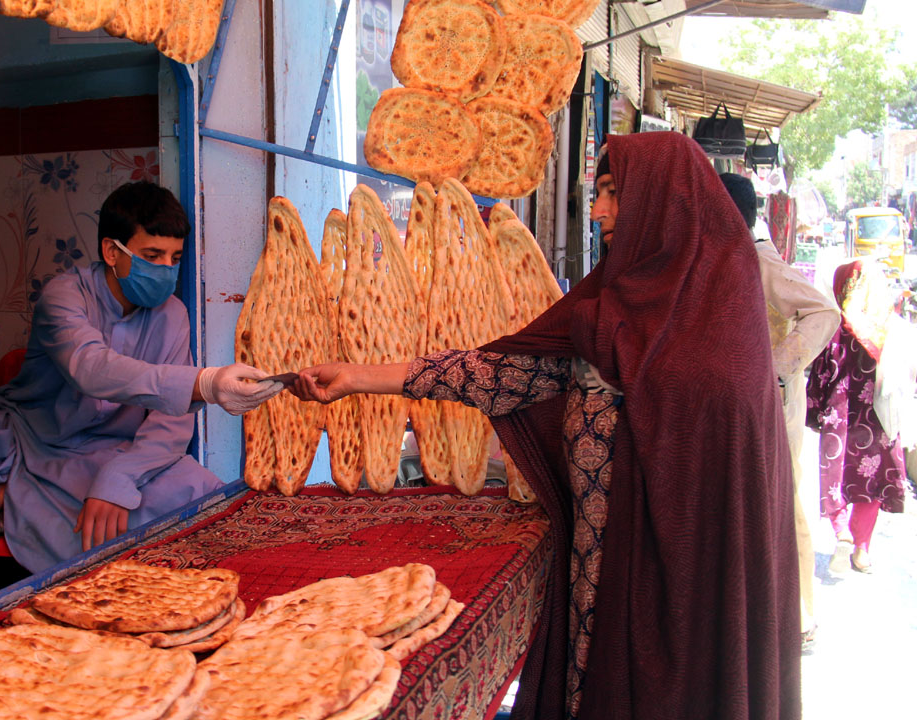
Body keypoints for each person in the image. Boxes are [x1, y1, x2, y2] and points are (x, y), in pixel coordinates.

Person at [293, 133, 800, 720]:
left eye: (615, 193)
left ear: (668, 202)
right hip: (600, 577)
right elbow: (496, 375)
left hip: (683, 596)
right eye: (599, 193)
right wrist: (357, 376)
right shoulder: (610, 307)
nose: (599, 210)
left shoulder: (720, 325)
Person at [0, 181, 282, 572]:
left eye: (174, 257)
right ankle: (14, 490)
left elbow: (170, 425)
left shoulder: (172, 315)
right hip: (27, 434)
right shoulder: (65, 295)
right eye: (152, 255)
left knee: (201, 500)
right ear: (112, 252)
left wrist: (117, 478)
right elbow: (91, 369)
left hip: (105, 450)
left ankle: (14, 494)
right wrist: (204, 383)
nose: (166, 270)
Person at [720, 172, 839, 648]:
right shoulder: (732, 258)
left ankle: (802, 613)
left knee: (784, 504)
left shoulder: (760, 262)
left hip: (775, 403)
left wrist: (777, 365)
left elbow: (823, 311)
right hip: (752, 403)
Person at [806, 260, 915, 575]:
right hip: (878, 420)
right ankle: (861, 549)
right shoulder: (891, 328)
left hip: (841, 419)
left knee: (836, 475)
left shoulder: (834, 327)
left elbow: (821, 374)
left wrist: (815, 412)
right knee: (871, 479)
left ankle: (841, 531)